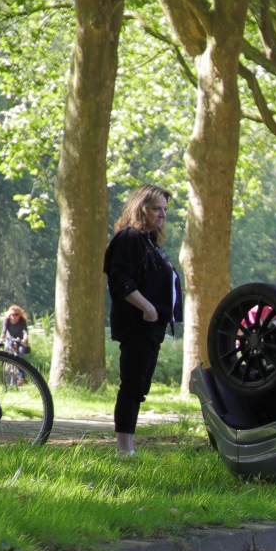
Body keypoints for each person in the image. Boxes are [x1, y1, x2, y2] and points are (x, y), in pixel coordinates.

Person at [103, 184, 181, 458]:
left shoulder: (148, 241)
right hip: (138, 324)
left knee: (139, 385)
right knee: (133, 385)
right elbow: (119, 279)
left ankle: (128, 447)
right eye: (156, 209)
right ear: (141, 209)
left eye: (165, 210)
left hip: (152, 325)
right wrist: (146, 306)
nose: (162, 215)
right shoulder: (129, 238)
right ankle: (124, 449)